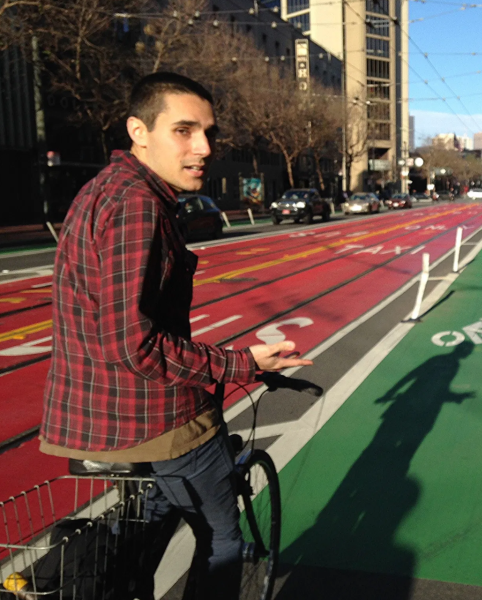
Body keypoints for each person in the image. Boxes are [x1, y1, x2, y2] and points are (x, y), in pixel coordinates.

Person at [40, 72, 313, 599]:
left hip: (97, 411)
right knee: (222, 539)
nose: (204, 148)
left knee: (147, 529)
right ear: (138, 131)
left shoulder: (105, 188)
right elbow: (134, 344)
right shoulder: (138, 204)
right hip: (151, 415)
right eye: (184, 130)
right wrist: (245, 363)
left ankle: (126, 579)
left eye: (208, 133)